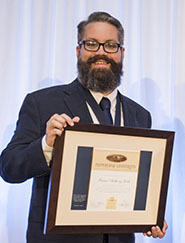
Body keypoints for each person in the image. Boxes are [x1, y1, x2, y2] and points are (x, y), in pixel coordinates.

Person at [0, 11, 167, 243]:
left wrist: (152, 215)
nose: (101, 52)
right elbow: (9, 168)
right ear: (78, 50)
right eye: (91, 44)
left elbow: (141, 184)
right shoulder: (42, 103)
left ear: (122, 53)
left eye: (110, 45)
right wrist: (46, 145)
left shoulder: (140, 115)